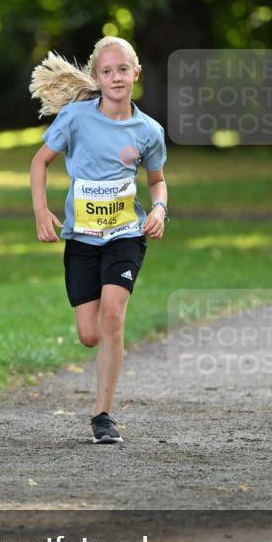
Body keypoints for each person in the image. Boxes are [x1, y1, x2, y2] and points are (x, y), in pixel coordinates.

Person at [29, 36, 168, 444]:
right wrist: (41, 210)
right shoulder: (75, 118)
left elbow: (157, 181)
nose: (116, 77)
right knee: (89, 334)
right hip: (82, 240)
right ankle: (102, 406)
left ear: (136, 73)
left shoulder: (149, 131)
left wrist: (158, 210)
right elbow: (40, 162)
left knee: (113, 316)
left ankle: (103, 416)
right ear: (96, 77)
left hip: (126, 235)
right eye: (107, 71)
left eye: (123, 69)